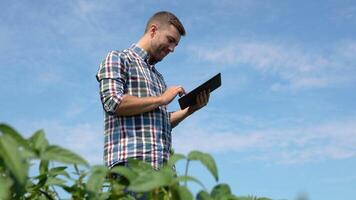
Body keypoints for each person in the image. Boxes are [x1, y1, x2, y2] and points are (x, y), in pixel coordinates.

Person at [96, 11, 209, 170]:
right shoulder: (118, 58)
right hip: (131, 168)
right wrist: (161, 99)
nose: (172, 49)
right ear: (154, 31)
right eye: (170, 40)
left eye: (175, 45)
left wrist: (190, 109)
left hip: (162, 174)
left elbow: (162, 121)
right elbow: (112, 102)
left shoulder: (158, 77)